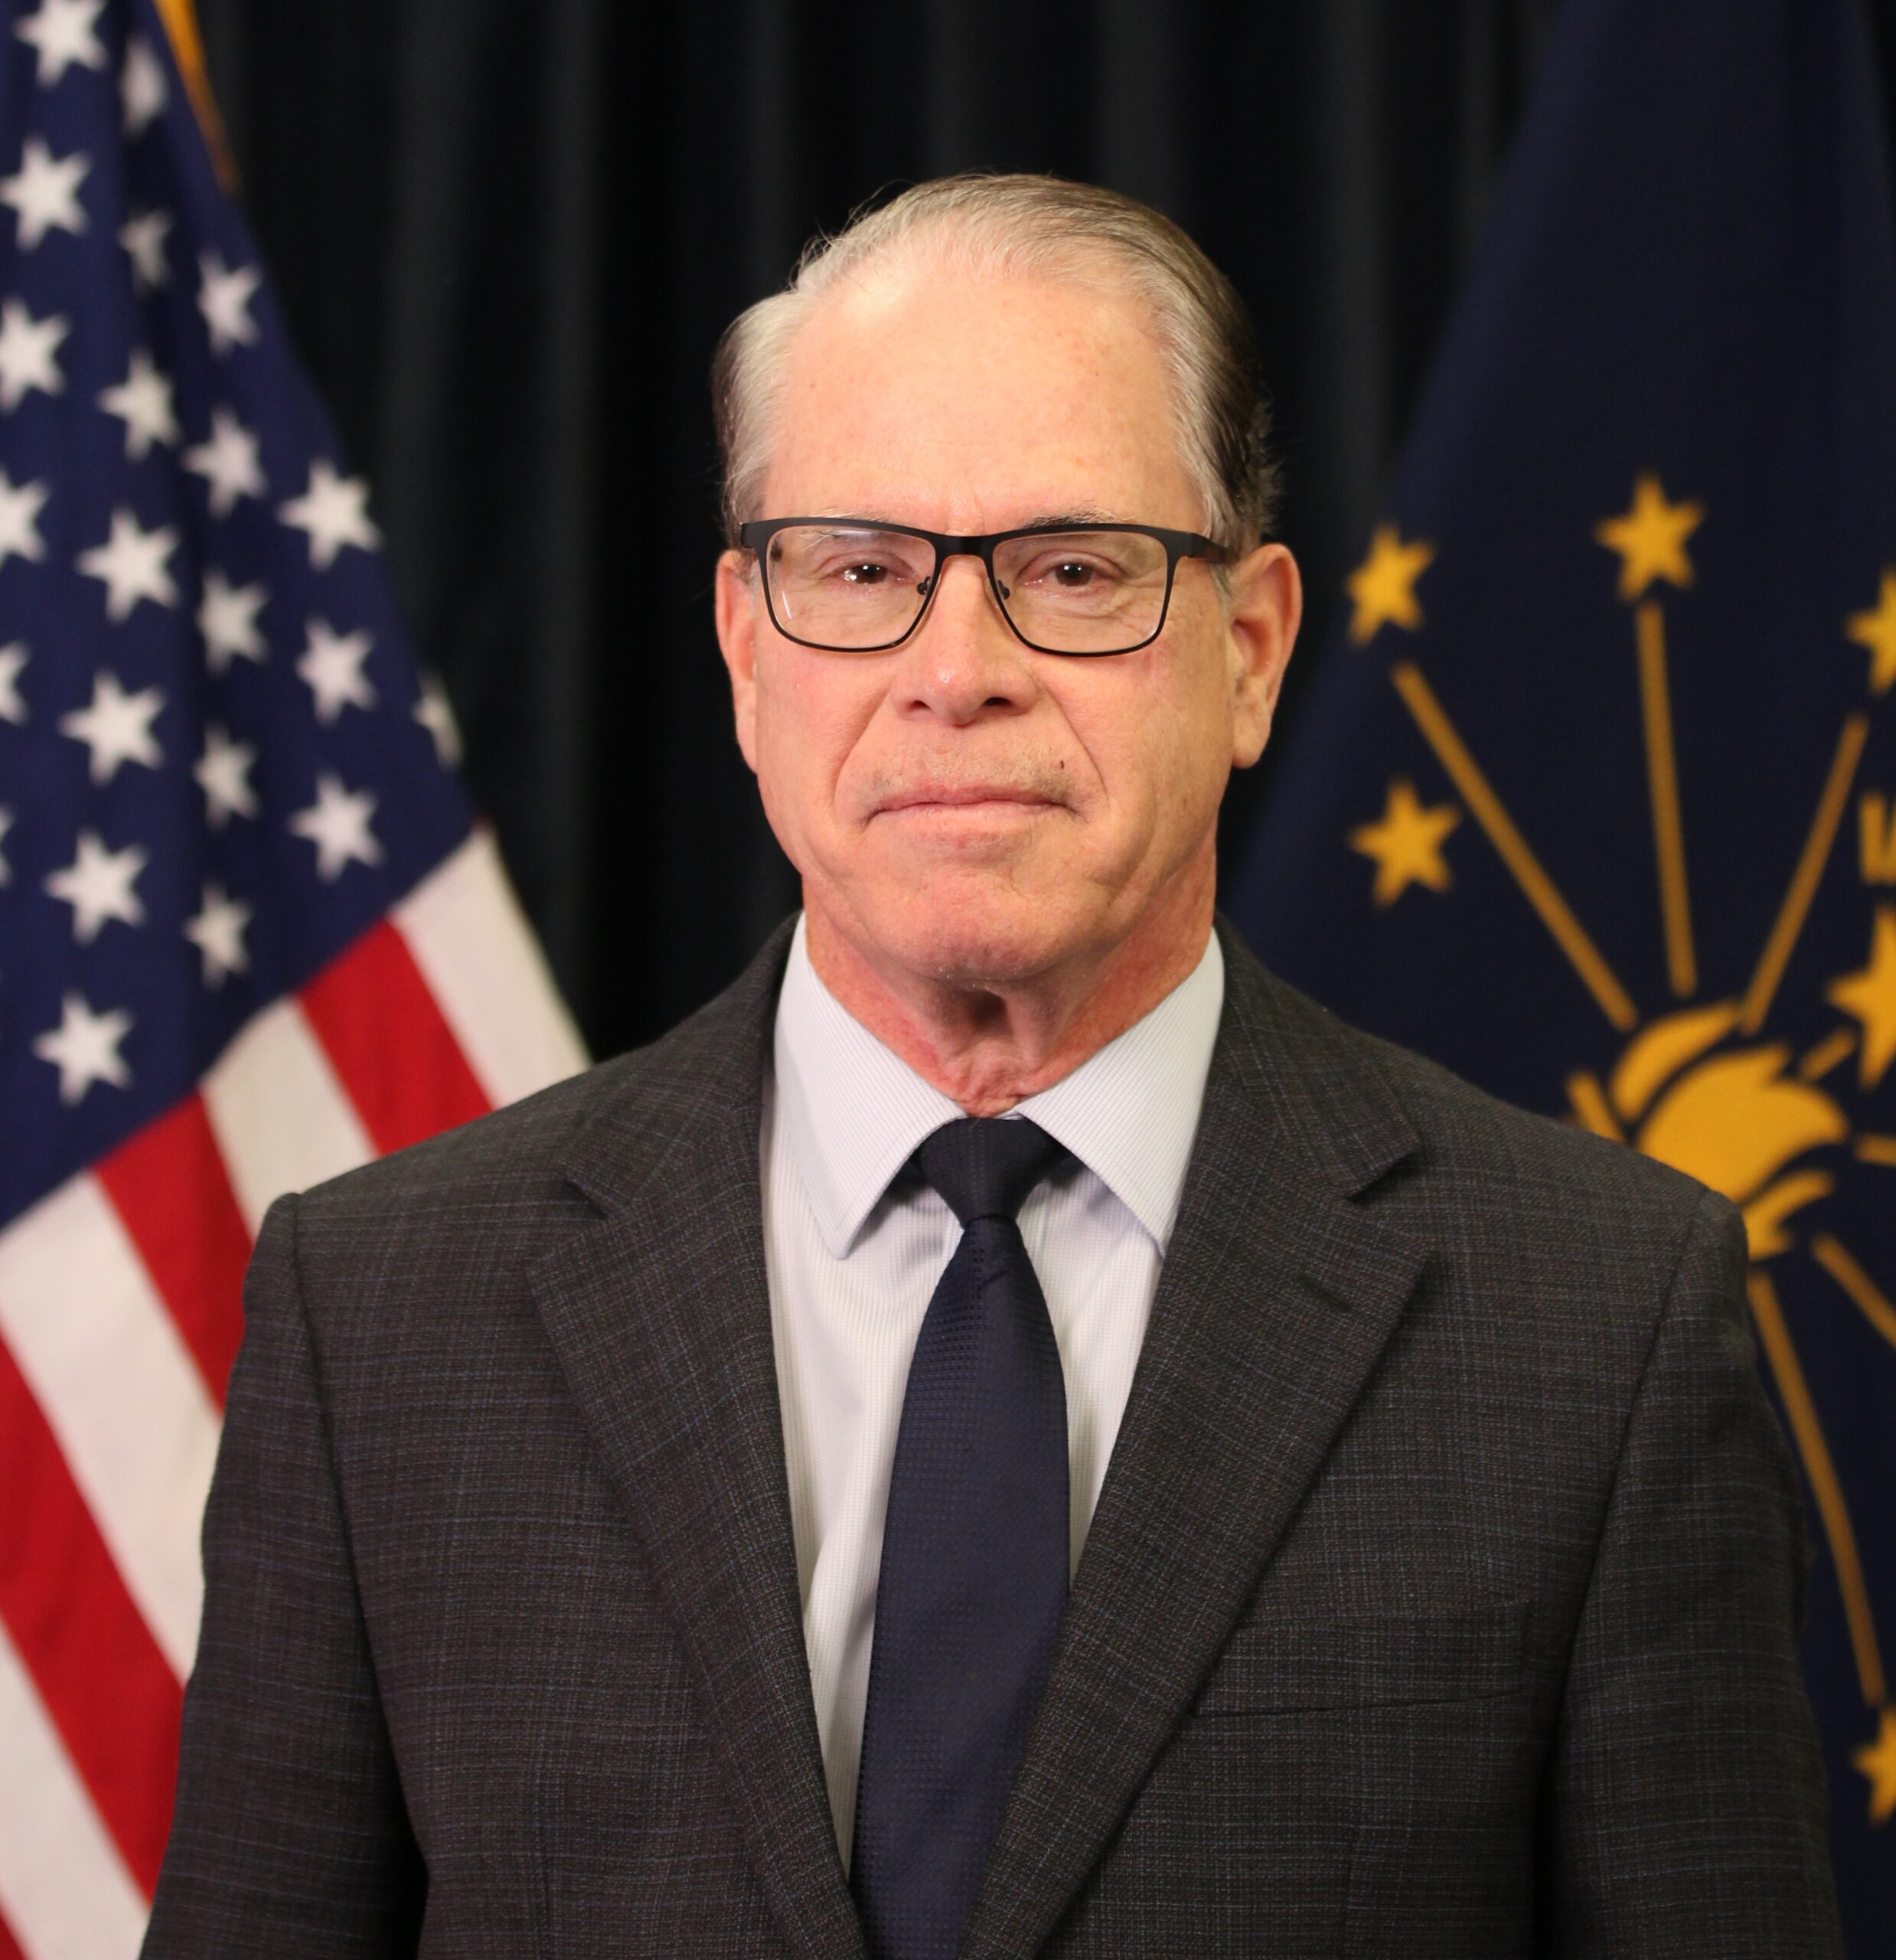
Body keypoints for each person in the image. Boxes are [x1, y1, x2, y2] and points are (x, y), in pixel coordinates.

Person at [144, 175, 1841, 1958]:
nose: (956, 672)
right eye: (860, 571)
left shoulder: (1601, 1319)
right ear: (747, 651)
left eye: (1074, 571)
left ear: (1251, 650)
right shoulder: (382, 1310)